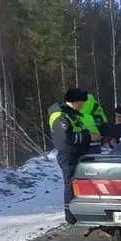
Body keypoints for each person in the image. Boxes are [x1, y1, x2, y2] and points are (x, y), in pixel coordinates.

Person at [48, 87, 98, 224]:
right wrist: (89, 137)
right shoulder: (59, 115)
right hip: (68, 155)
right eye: (81, 103)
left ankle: (81, 212)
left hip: (79, 153)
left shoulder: (73, 113)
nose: (82, 106)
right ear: (73, 101)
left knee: (81, 183)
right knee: (70, 184)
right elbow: (67, 137)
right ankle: (70, 216)